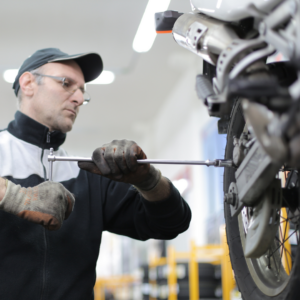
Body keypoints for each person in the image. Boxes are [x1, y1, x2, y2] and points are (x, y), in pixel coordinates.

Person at [0, 48, 191, 299]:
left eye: (82, 91)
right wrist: (13, 196)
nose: (78, 98)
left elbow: (172, 223)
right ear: (27, 83)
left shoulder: (86, 174)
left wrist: (148, 181)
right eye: (66, 83)